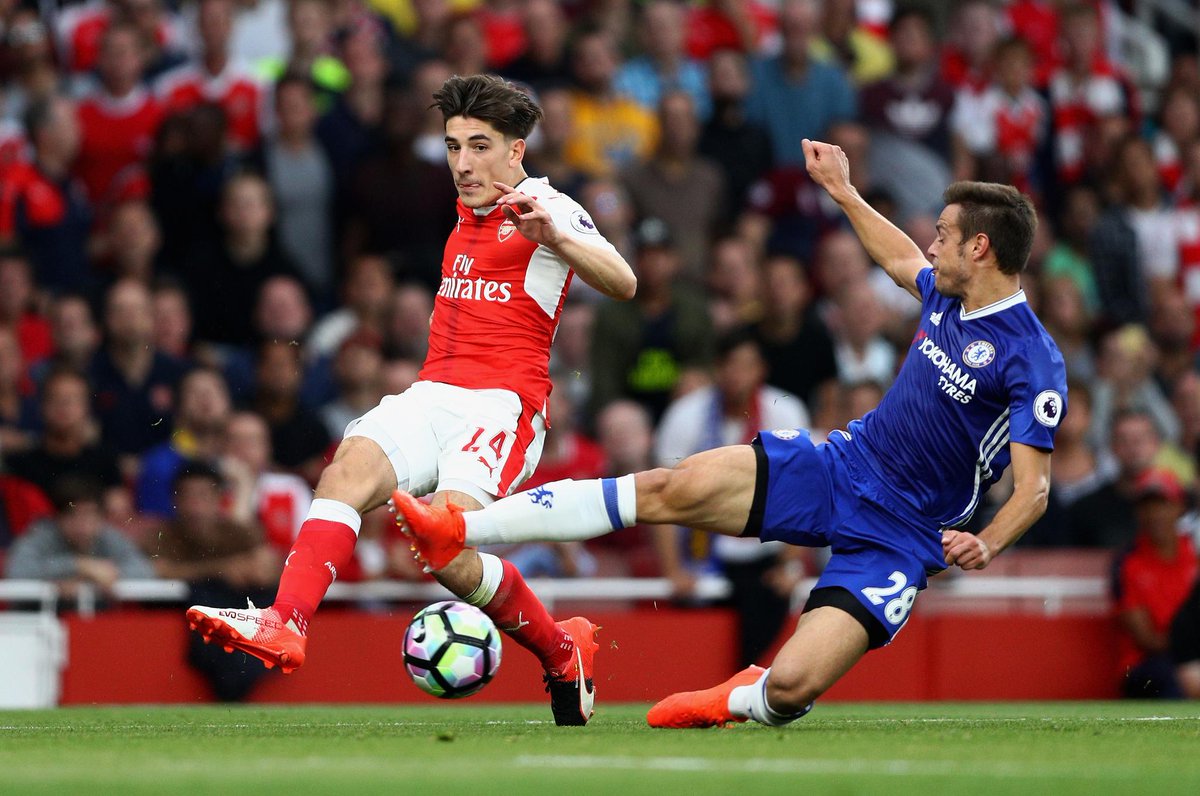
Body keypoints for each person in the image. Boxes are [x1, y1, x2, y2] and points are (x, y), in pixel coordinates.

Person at [395, 137, 1067, 729]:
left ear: (980, 248)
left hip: (906, 533)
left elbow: (1033, 490)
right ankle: (459, 528)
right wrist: (842, 190)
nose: (932, 246)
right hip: (844, 467)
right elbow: (898, 258)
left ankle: (740, 696)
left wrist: (987, 540)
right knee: (671, 487)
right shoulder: (946, 295)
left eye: (944, 235)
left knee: (792, 689)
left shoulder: (1032, 359)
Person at [186, 74, 636, 726]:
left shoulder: (545, 204)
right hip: (431, 393)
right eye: (453, 146)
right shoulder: (468, 209)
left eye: (479, 146)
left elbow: (623, 281)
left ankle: (562, 651)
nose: (463, 164)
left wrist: (557, 238)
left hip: (499, 405)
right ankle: (286, 621)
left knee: (444, 549)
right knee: (343, 472)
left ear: (516, 150)